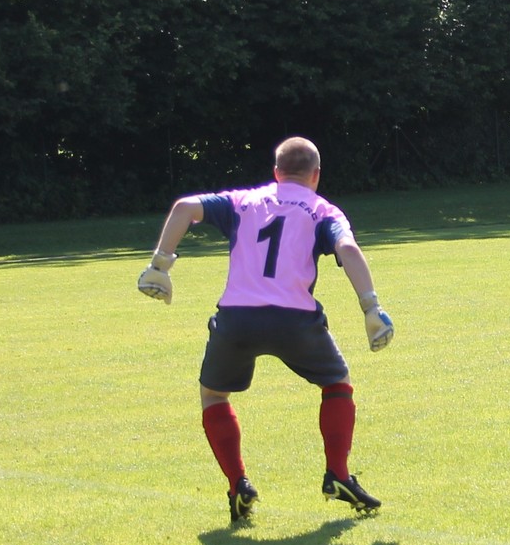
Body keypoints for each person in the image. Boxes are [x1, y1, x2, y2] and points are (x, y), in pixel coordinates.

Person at [137, 136, 395, 523]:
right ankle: (338, 475)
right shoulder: (322, 208)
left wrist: (160, 265)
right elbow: (349, 250)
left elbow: (184, 207)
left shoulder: (244, 201)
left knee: (213, 395)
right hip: (295, 319)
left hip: (238, 317)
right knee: (337, 383)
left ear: (276, 173)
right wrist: (371, 307)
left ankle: (238, 483)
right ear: (316, 175)